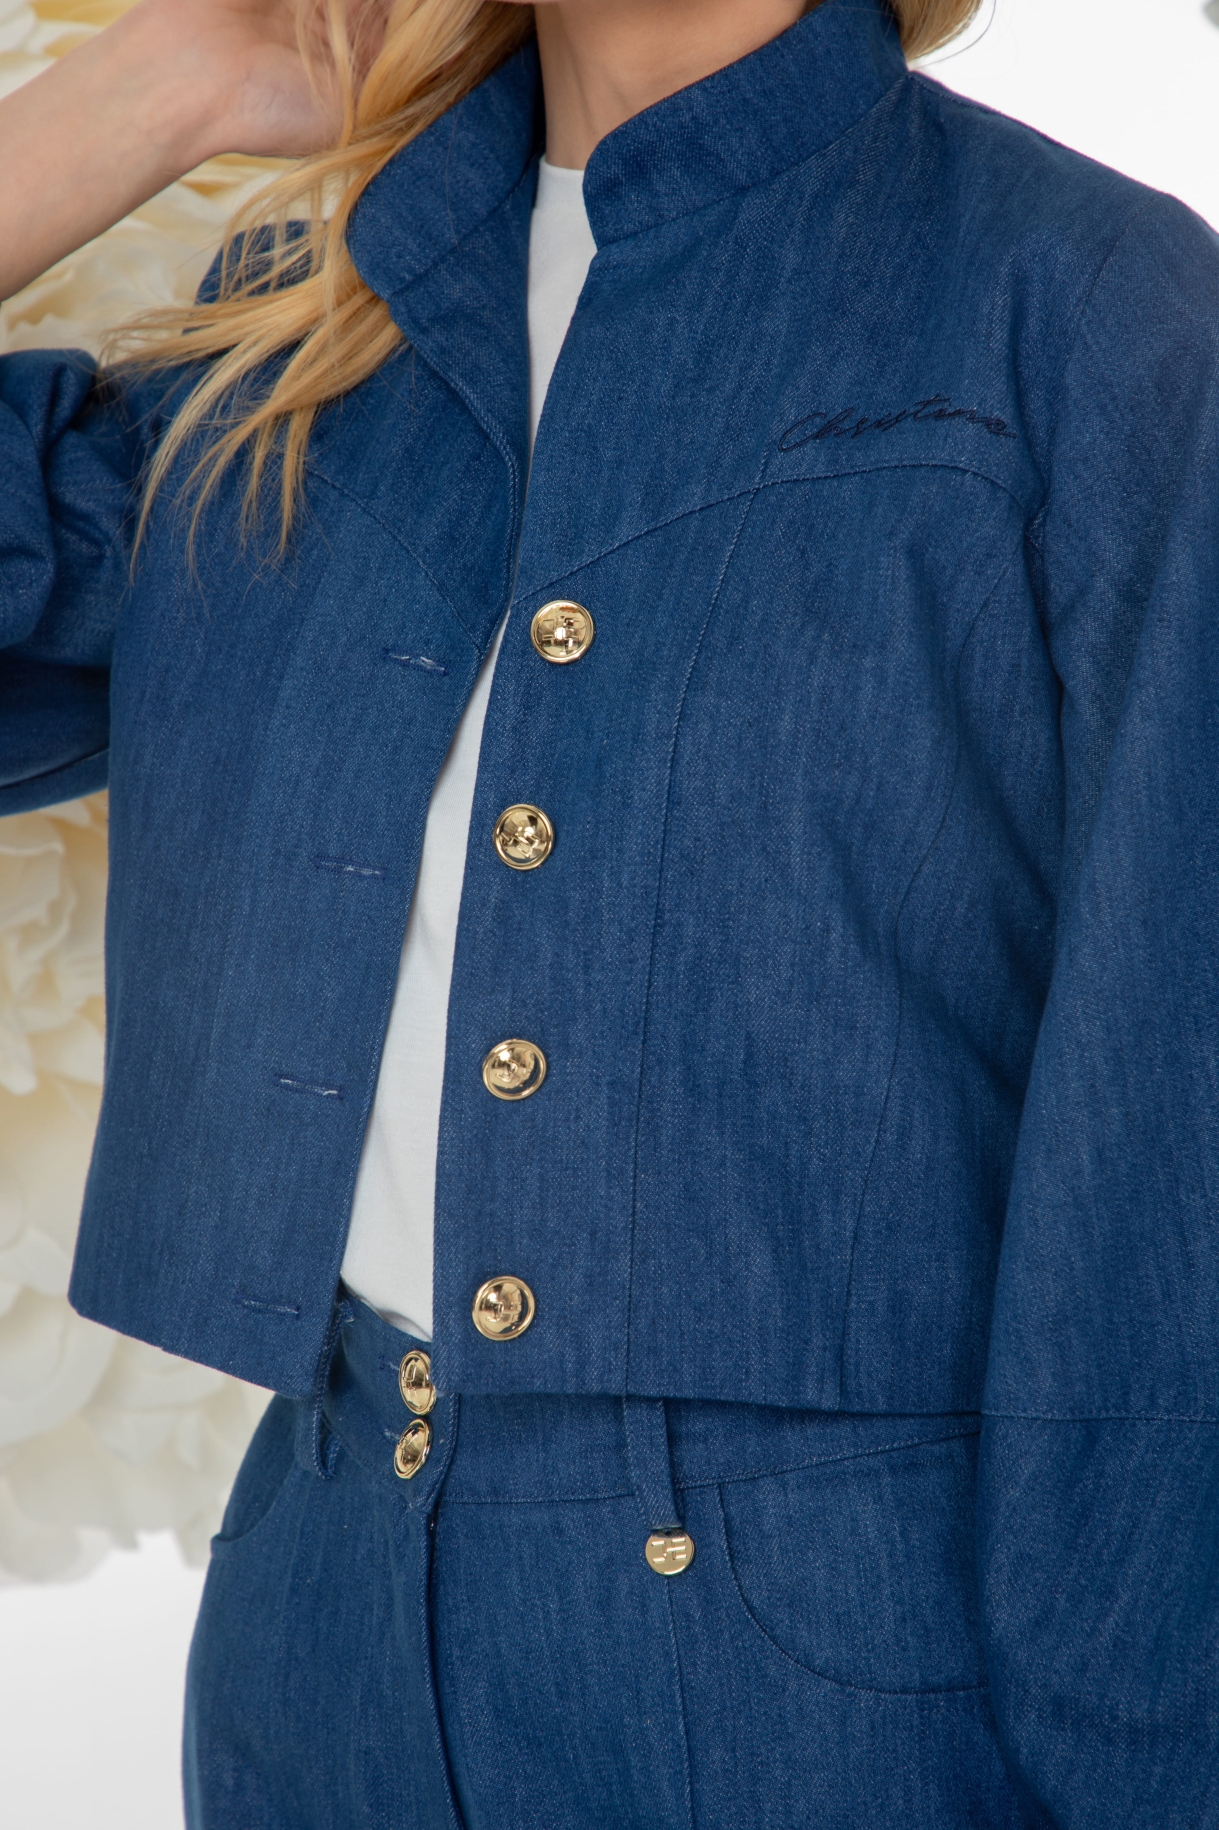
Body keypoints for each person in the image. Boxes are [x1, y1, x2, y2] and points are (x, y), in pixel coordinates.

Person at [2, 0, 1218, 1822]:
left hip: (835, 1683)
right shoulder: (311, 320)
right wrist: (158, 80)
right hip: (320, 1624)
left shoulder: (1089, 310)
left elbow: (1174, 1143)